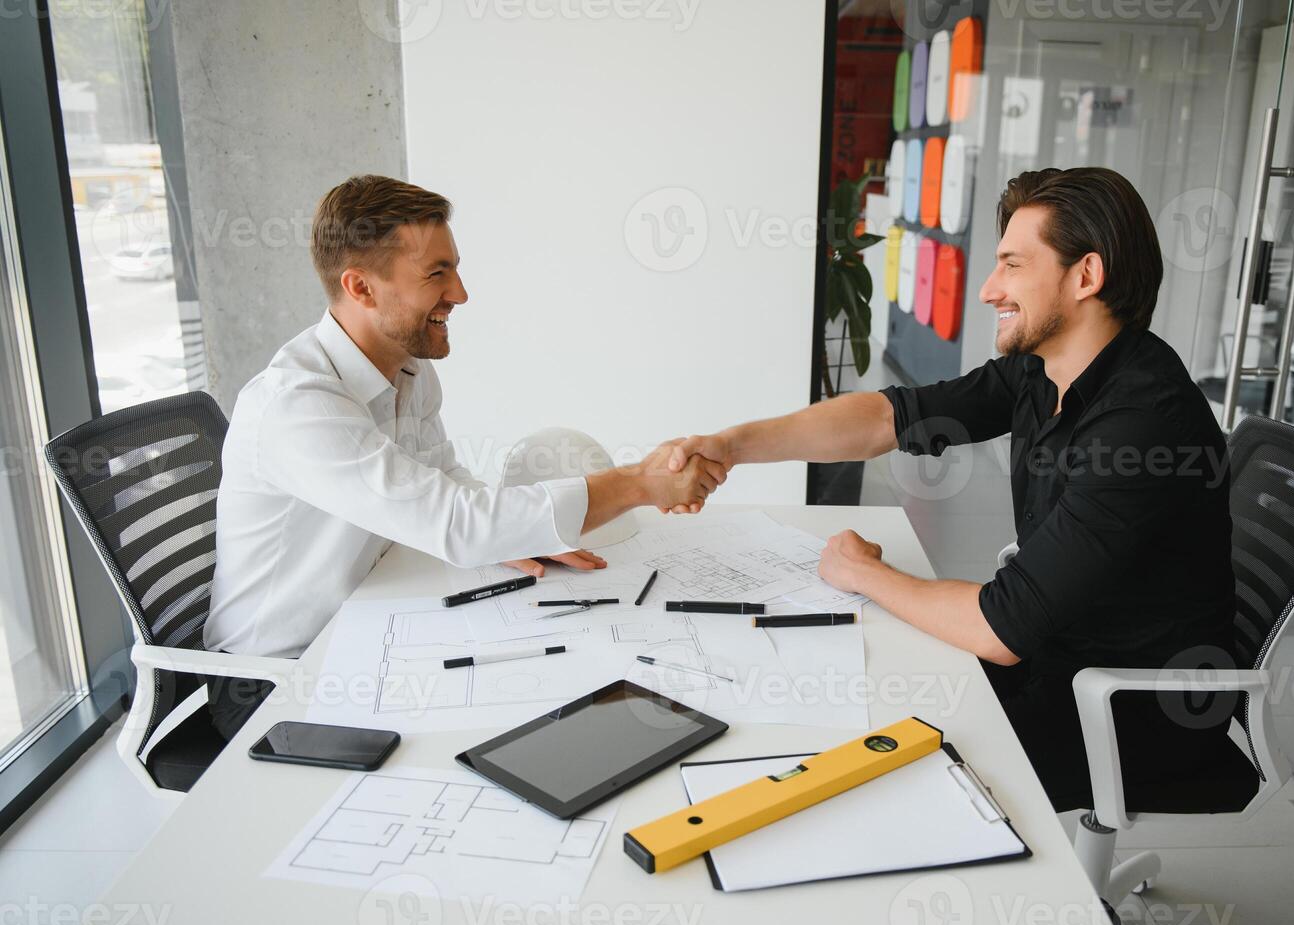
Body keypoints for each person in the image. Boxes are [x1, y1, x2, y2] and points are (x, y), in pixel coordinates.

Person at [663, 167, 1237, 811]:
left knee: (867, 779)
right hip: (1057, 655)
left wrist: (862, 572)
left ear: (1086, 277)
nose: (990, 289)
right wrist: (734, 445)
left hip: (1127, 712)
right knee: (853, 687)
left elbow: (1002, 628)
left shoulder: (1141, 423)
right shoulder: (1042, 371)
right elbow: (891, 417)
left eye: (1013, 265)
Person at [203, 175, 725, 737]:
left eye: (454, 267)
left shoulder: (407, 367)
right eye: (436, 274)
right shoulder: (297, 408)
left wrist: (520, 535)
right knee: (512, 725)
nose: (460, 293)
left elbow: (447, 482)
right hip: (274, 681)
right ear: (361, 288)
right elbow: (456, 524)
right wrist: (640, 483)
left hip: (365, 628)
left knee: (557, 674)